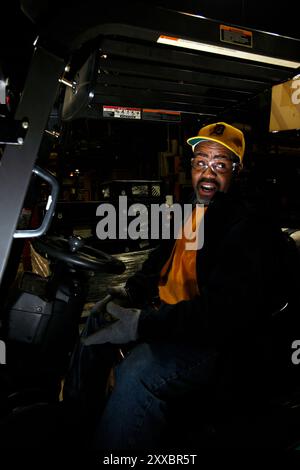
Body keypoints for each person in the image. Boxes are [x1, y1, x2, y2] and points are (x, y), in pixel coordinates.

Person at [85, 122, 298, 450]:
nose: (207, 173)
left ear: (237, 171)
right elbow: (160, 260)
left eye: (220, 164)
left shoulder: (247, 226)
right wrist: (131, 292)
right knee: (97, 318)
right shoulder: (192, 208)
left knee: (138, 372)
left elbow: (221, 316)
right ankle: (79, 418)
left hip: (216, 342)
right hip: (173, 318)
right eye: (201, 162)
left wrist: (144, 324)